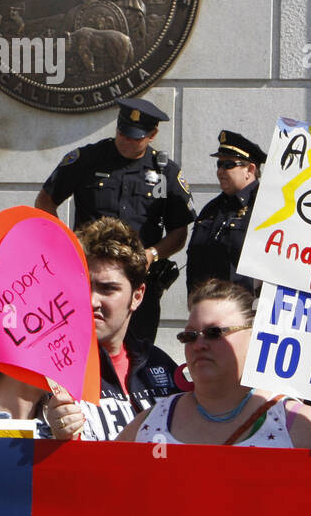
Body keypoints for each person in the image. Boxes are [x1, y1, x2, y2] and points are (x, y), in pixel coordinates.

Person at [36, 97, 194, 340]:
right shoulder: (87, 159)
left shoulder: (165, 172)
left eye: (135, 137)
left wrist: (151, 254)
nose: (126, 140)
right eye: (123, 132)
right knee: (80, 346)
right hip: (88, 279)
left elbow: (179, 233)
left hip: (137, 281)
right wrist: (68, 244)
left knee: (137, 351)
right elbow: (45, 201)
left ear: (152, 134)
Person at [117, 279, 311, 448]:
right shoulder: (152, 420)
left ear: (254, 336)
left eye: (214, 333)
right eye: (189, 336)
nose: (199, 345)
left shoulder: (296, 422)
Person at [42, 217, 179, 441]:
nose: (92, 300)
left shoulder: (161, 366)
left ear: (137, 296)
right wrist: (54, 442)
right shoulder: (48, 367)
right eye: (84, 286)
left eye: (108, 289)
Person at [185, 129, 267, 293]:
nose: (220, 171)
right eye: (219, 164)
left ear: (250, 170)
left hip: (246, 311)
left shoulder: (265, 208)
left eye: (228, 165)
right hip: (207, 305)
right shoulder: (212, 208)